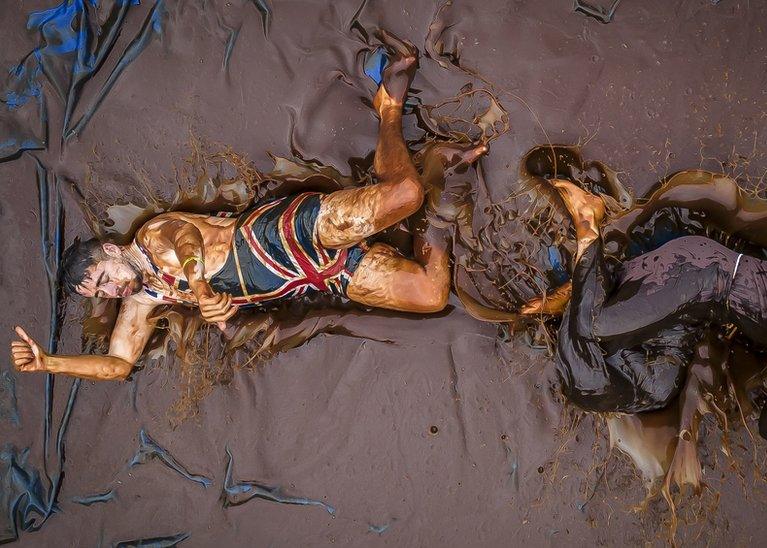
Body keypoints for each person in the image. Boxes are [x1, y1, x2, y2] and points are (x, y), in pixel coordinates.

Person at [9, 32, 485, 383]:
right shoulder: (142, 301)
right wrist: (50, 362)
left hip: (289, 233)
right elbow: (117, 366)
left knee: (404, 196)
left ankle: (388, 110)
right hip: (320, 275)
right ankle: (441, 215)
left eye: (104, 276)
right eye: (104, 293)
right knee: (430, 295)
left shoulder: (150, 238)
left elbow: (186, 238)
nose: (113, 290)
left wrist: (196, 283)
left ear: (111, 251)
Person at [525, 179, 767, 466]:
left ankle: (588, 285)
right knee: (595, 329)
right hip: (694, 274)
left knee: (658, 390)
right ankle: (588, 225)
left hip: (697, 306)